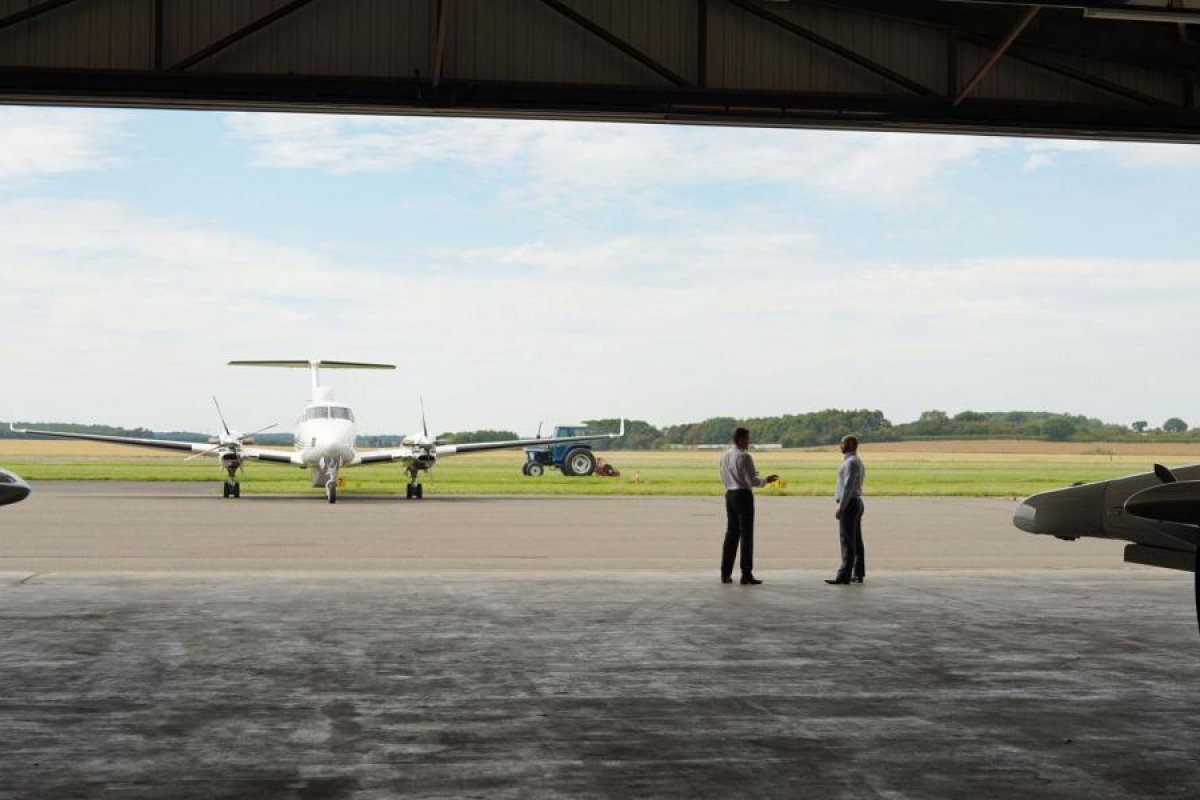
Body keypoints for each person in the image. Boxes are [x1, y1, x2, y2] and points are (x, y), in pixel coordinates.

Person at [719, 427, 778, 585]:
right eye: (747, 439)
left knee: (731, 534)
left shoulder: (725, 456)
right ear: (740, 440)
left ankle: (725, 573)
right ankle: (746, 573)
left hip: (730, 495)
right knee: (746, 535)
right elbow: (752, 481)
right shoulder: (745, 457)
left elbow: (723, 476)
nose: (749, 442)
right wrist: (765, 480)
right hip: (743, 496)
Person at [827, 435, 866, 585]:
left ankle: (844, 575)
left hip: (850, 504)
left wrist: (841, 508)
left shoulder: (851, 463)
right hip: (856, 502)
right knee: (856, 540)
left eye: (842, 443)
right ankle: (858, 572)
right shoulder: (856, 461)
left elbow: (848, 487)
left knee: (847, 541)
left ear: (850, 444)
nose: (840, 445)